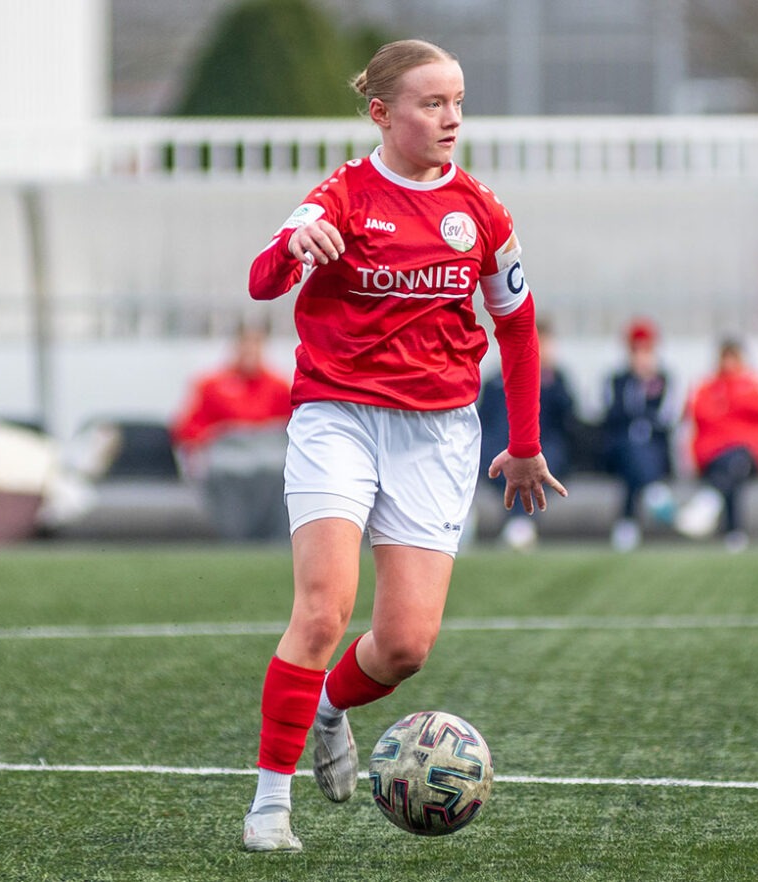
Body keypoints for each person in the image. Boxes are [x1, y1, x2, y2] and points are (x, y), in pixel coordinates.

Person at [240, 38, 565, 853]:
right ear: (383, 113)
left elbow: (518, 328)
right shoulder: (341, 195)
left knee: (406, 646)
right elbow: (261, 279)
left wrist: (523, 444)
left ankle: (328, 706)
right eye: (432, 103)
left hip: (440, 434)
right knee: (322, 611)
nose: (451, 117)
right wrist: (293, 250)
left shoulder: (483, 212)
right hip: (338, 417)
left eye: (457, 101)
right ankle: (268, 808)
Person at [170, 322, 293, 542]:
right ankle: (233, 538)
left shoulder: (278, 385)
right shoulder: (211, 384)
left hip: (269, 453)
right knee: (224, 472)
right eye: (244, 343)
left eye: (255, 344)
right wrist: (217, 435)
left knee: (282, 472)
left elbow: (292, 425)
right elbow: (188, 427)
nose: (249, 350)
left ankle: (276, 539)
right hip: (226, 454)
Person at [477, 316, 576, 550]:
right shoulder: (498, 380)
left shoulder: (556, 381)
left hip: (546, 447)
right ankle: (521, 523)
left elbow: (568, 421)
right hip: (503, 447)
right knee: (502, 461)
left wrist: (548, 382)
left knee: (538, 463)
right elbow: (486, 423)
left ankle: (519, 523)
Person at [677, 338, 758, 551]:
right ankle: (734, 533)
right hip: (714, 455)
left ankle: (709, 502)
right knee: (731, 469)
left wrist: (730, 401)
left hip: (748, 455)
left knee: (736, 462)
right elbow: (698, 413)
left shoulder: (754, 384)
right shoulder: (705, 386)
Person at [601, 318, 680, 551]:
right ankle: (654, 492)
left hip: (655, 453)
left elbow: (666, 419)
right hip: (620, 449)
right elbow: (614, 416)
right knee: (632, 449)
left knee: (639, 457)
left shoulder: (664, 380)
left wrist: (647, 392)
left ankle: (627, 521)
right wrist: (636, 388)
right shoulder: (618, 380)